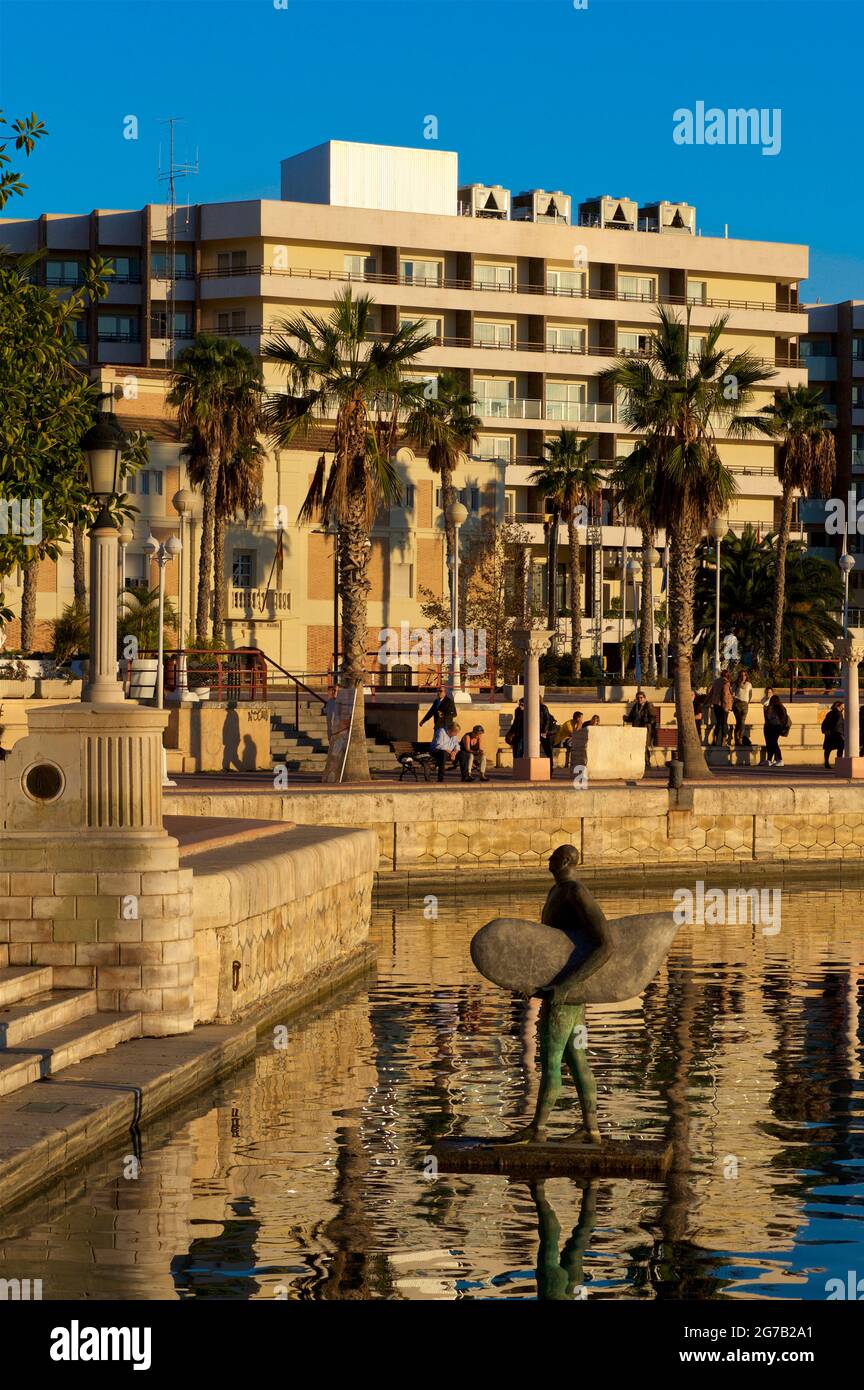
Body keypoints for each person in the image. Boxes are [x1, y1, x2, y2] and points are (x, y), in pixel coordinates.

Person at [500, 845, 611, 1146]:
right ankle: (591, 1129)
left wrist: (564, 986)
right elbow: (552, 948)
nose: (547, 859)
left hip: (564, 994)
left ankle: (538, 1128)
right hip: (563, 991)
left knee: (550, 1060)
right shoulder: (558, 891)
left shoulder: (576, 892)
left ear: (564, 861)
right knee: (577, 1058)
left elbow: (606, 945)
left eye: (552, 856)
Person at [623, 689, 657, 760]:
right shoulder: (636, 706)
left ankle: (647, 763)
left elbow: (653, 717)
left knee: (644, 746)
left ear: (645, 698)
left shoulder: (649, 705)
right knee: (637, 746)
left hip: (646, 729)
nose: (639, 699)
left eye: (641, 697)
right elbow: (631, 718)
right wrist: (625, 718)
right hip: (636, 729)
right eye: (638, 698)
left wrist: (647, 720)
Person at [763, 692, 791, 768]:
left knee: (773, 743)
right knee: (773, 743)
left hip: (773, 727)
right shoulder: (782, 708)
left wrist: (767, 708)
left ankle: (779, 759)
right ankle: (770, 760)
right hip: (778, 727)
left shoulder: (772, 708)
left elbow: (768, 717)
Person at [709, 669, 733, 747]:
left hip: (716, 704)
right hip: (723, 705)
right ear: (727, 675)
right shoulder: (726, 683)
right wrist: (726, 706)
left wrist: (706, 702)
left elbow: (711, 693)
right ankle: (723, 741)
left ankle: (714, 740)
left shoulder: (715, 682)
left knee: (718, 722)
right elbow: (725, 695)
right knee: (724, 723)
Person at [731, 670, 753, 747]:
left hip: (745, 704)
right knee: (739, 721)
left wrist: (747, 702)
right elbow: (732, 694)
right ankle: (737, 738)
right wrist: (736, 698)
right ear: (739, 676)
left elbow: (750, 695)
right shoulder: (735, 684)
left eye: (744, 675)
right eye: (741, 675)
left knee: (742, 722)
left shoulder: (749, 684)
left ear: (746, 676)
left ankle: (739, 739)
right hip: (737, 704)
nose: (743, 677)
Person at [821, 700, 845, 768]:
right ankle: (839, 764)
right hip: (837, 734)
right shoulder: (839, 714)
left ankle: (826, 762)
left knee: (828, 749)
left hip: (829, 733)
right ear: (838, 706)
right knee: (840, 748)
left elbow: (824, 723)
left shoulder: (830, 713)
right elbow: (839, 724)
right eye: (842, 706)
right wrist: (842, 734)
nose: (843, 708)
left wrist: (825, 730)